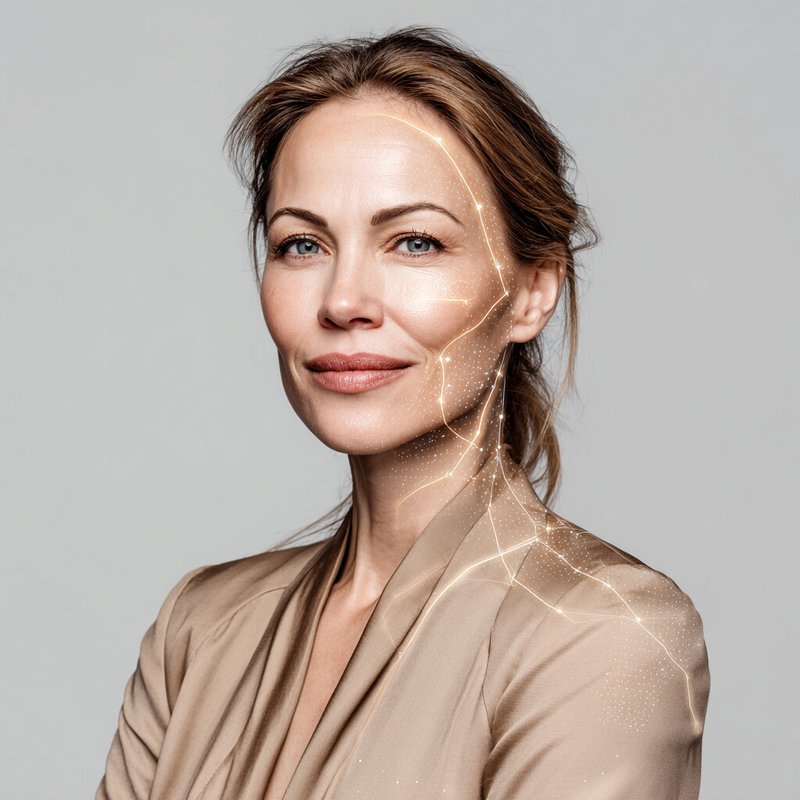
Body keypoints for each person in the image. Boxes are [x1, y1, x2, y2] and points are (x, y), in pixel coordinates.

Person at [96, 26, 710, 800]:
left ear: (533, 291)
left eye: (415, 242)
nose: (344, 301)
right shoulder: (203, 626)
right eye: (302, 245)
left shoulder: (605, 631)